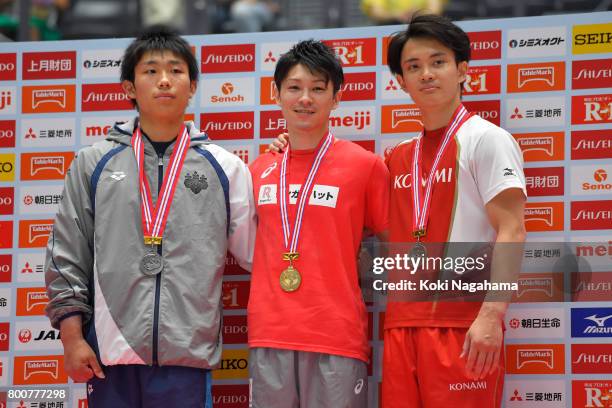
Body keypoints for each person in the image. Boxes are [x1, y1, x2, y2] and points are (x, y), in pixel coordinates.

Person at [45, 26, 255, 408]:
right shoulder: (92, 162)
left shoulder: (225, 167)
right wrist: (72, 338)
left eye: (176, 71)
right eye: (151, 70)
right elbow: (66, 254)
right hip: (109, 353)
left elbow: (258, 254)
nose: (164, 81)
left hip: (187, 355)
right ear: (129, 86)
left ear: (192, 86)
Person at [383, 14, 526, 407]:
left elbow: (512, 230)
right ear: (401, 81)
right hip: (400, 328)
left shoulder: (488, 140)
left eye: (438, 61)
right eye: (413, 67)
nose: (426, 74)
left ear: (463, 70)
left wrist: (492, 315)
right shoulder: (396, 157)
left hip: (462, 326)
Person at [248, 39, 389, 408]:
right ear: (276, 94)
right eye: (294, 88)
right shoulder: (258, 170)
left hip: (336, 335)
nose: (305, 98)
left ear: (336, 98)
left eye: (317, 88)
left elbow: (391, 246)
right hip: (270, 334)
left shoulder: (365, 167)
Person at [360, 0, 447, 25]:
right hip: (390, 28)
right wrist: (397, 15)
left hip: (423, 27)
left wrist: (417, 13)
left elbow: (435, 10)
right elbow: (377, 13)